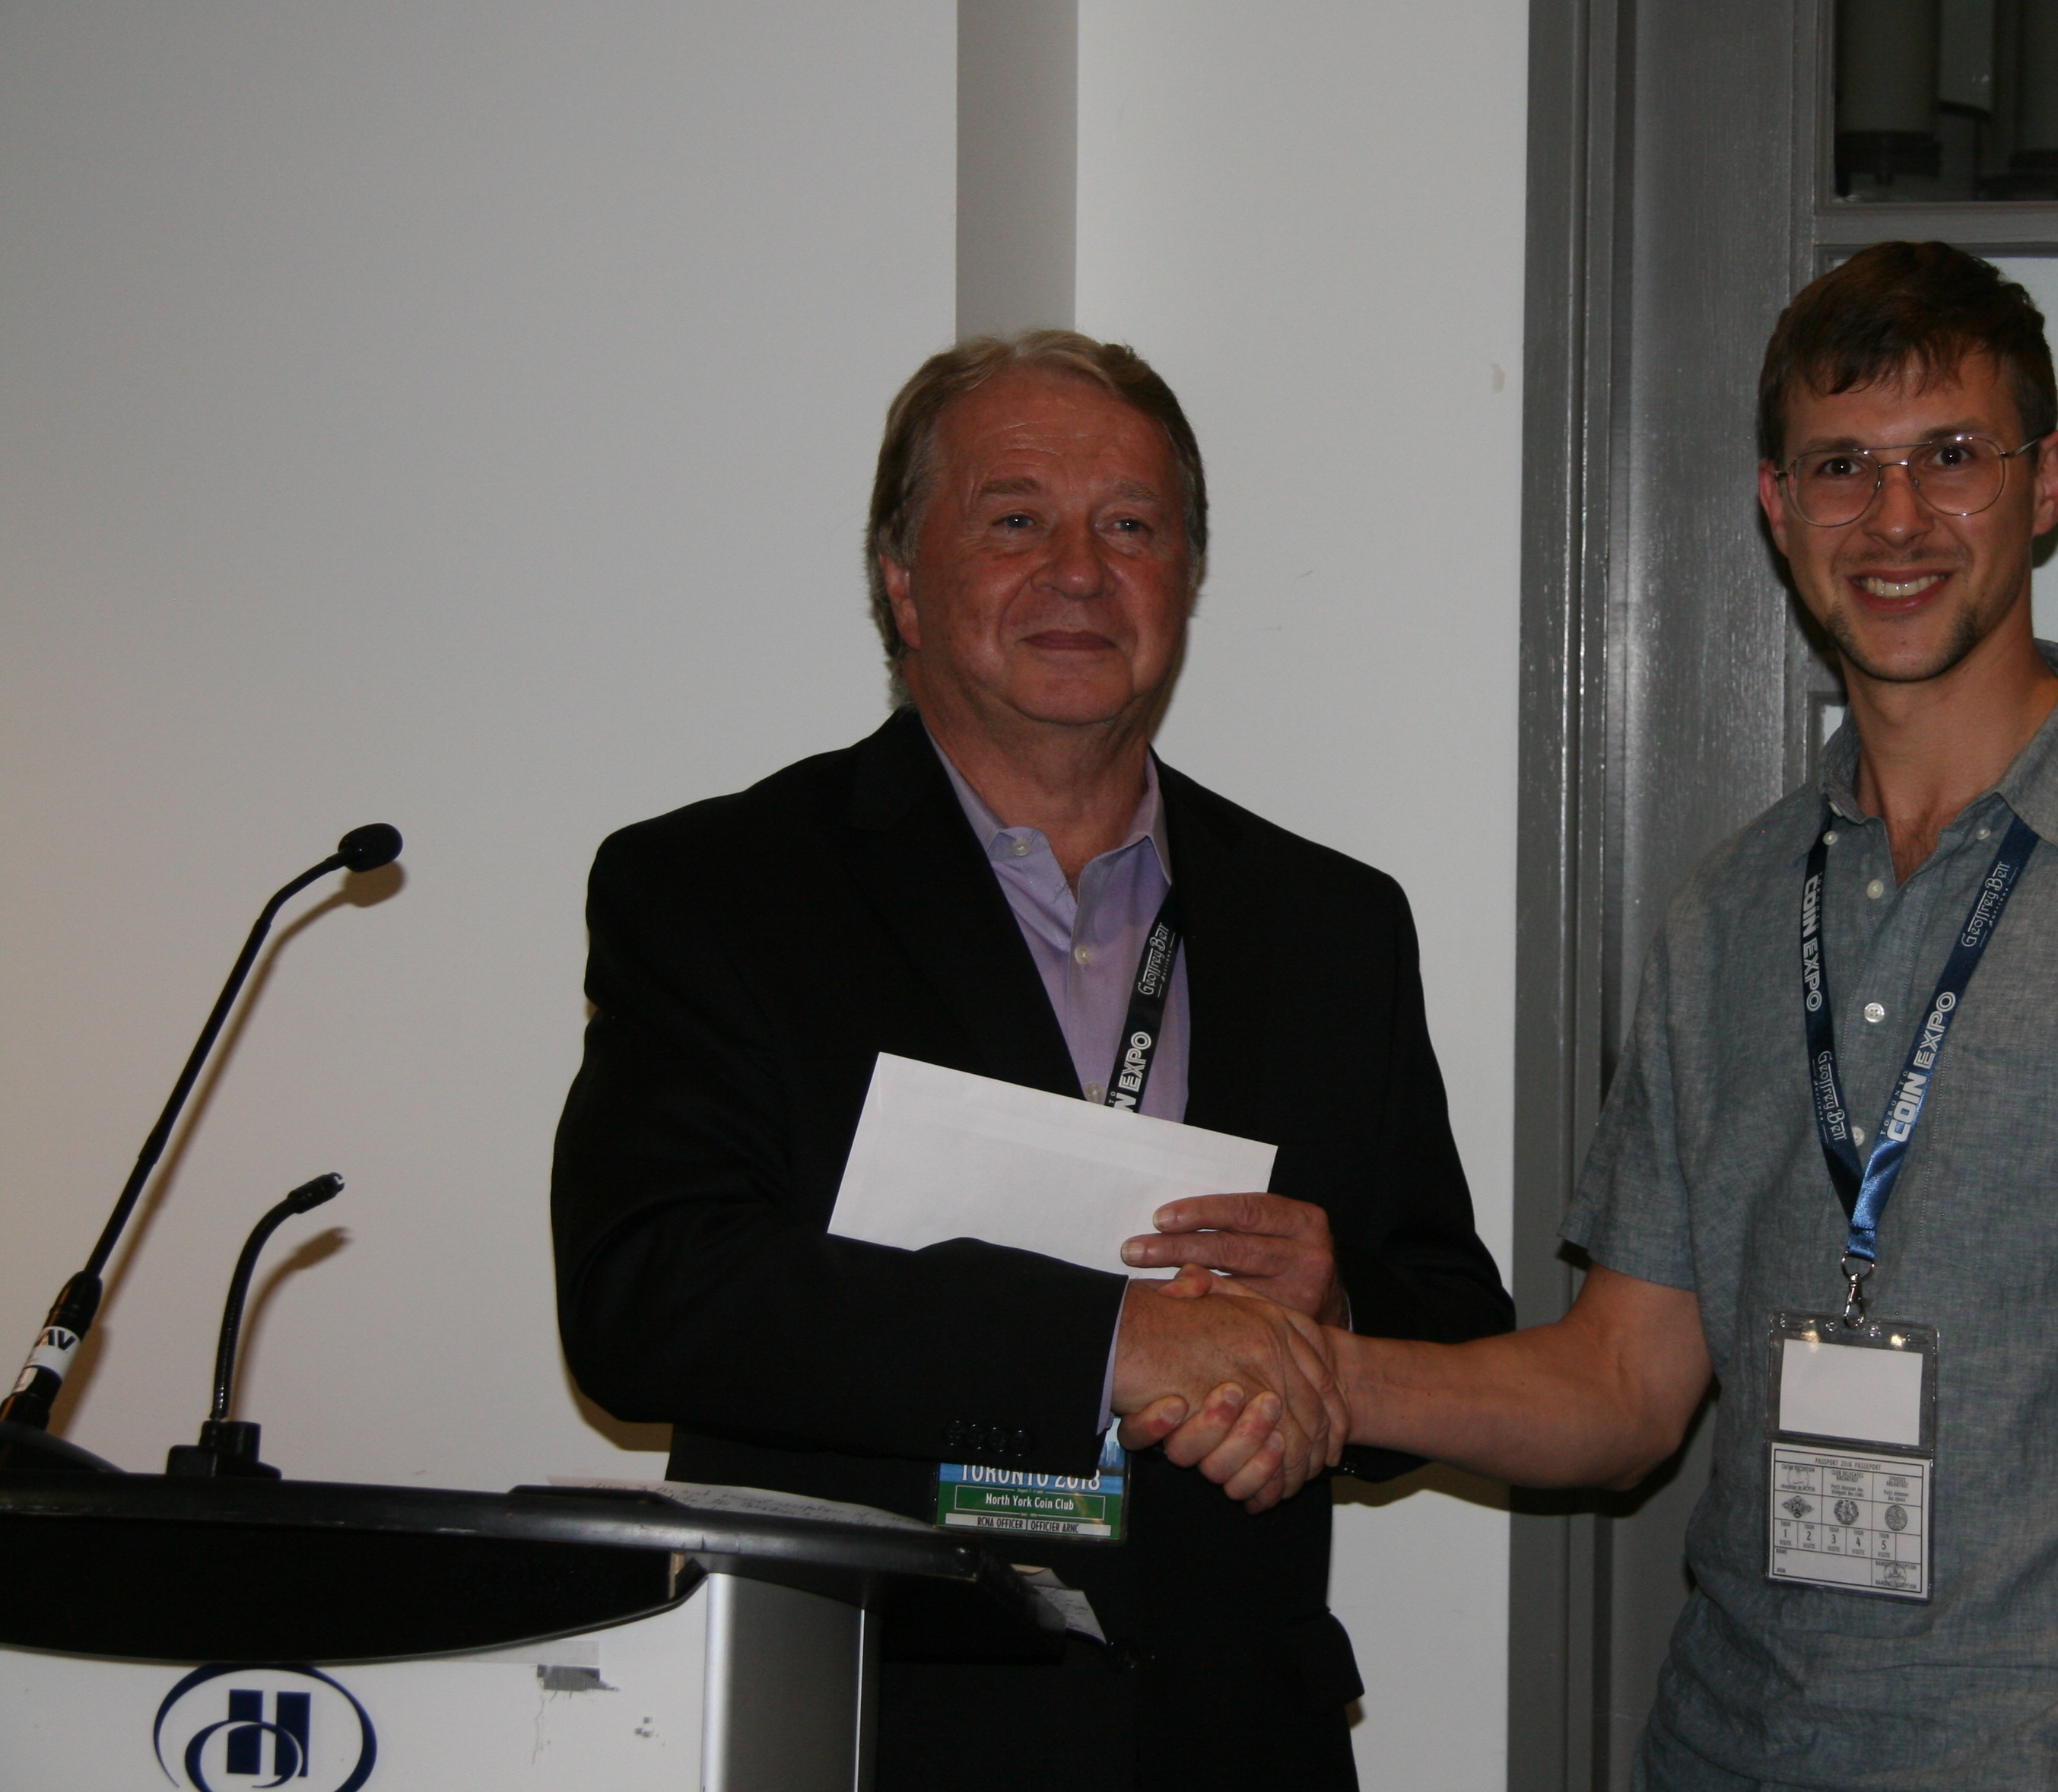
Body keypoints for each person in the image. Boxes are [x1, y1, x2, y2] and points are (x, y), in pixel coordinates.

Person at [1161, 243, 2058, 1790]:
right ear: (1778, 508)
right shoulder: (1731, 911)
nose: (1895, 520)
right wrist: (1317, 1372)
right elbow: (1625, 1387)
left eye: (1951, 456)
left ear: (2045, 484)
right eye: (1843, 466)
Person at [551, 329, 1513, 1790]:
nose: (1080, 571)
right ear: (901, 580)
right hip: (876, 1732)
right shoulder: (720, 888)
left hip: (1231, 1740)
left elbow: (1454, 1327)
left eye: (1132, 527)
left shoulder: (1334, 923)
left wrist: (1332, 1312)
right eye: (1015, 520)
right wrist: (1113, 1343)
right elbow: (649, 1299)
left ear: (1185, 579)